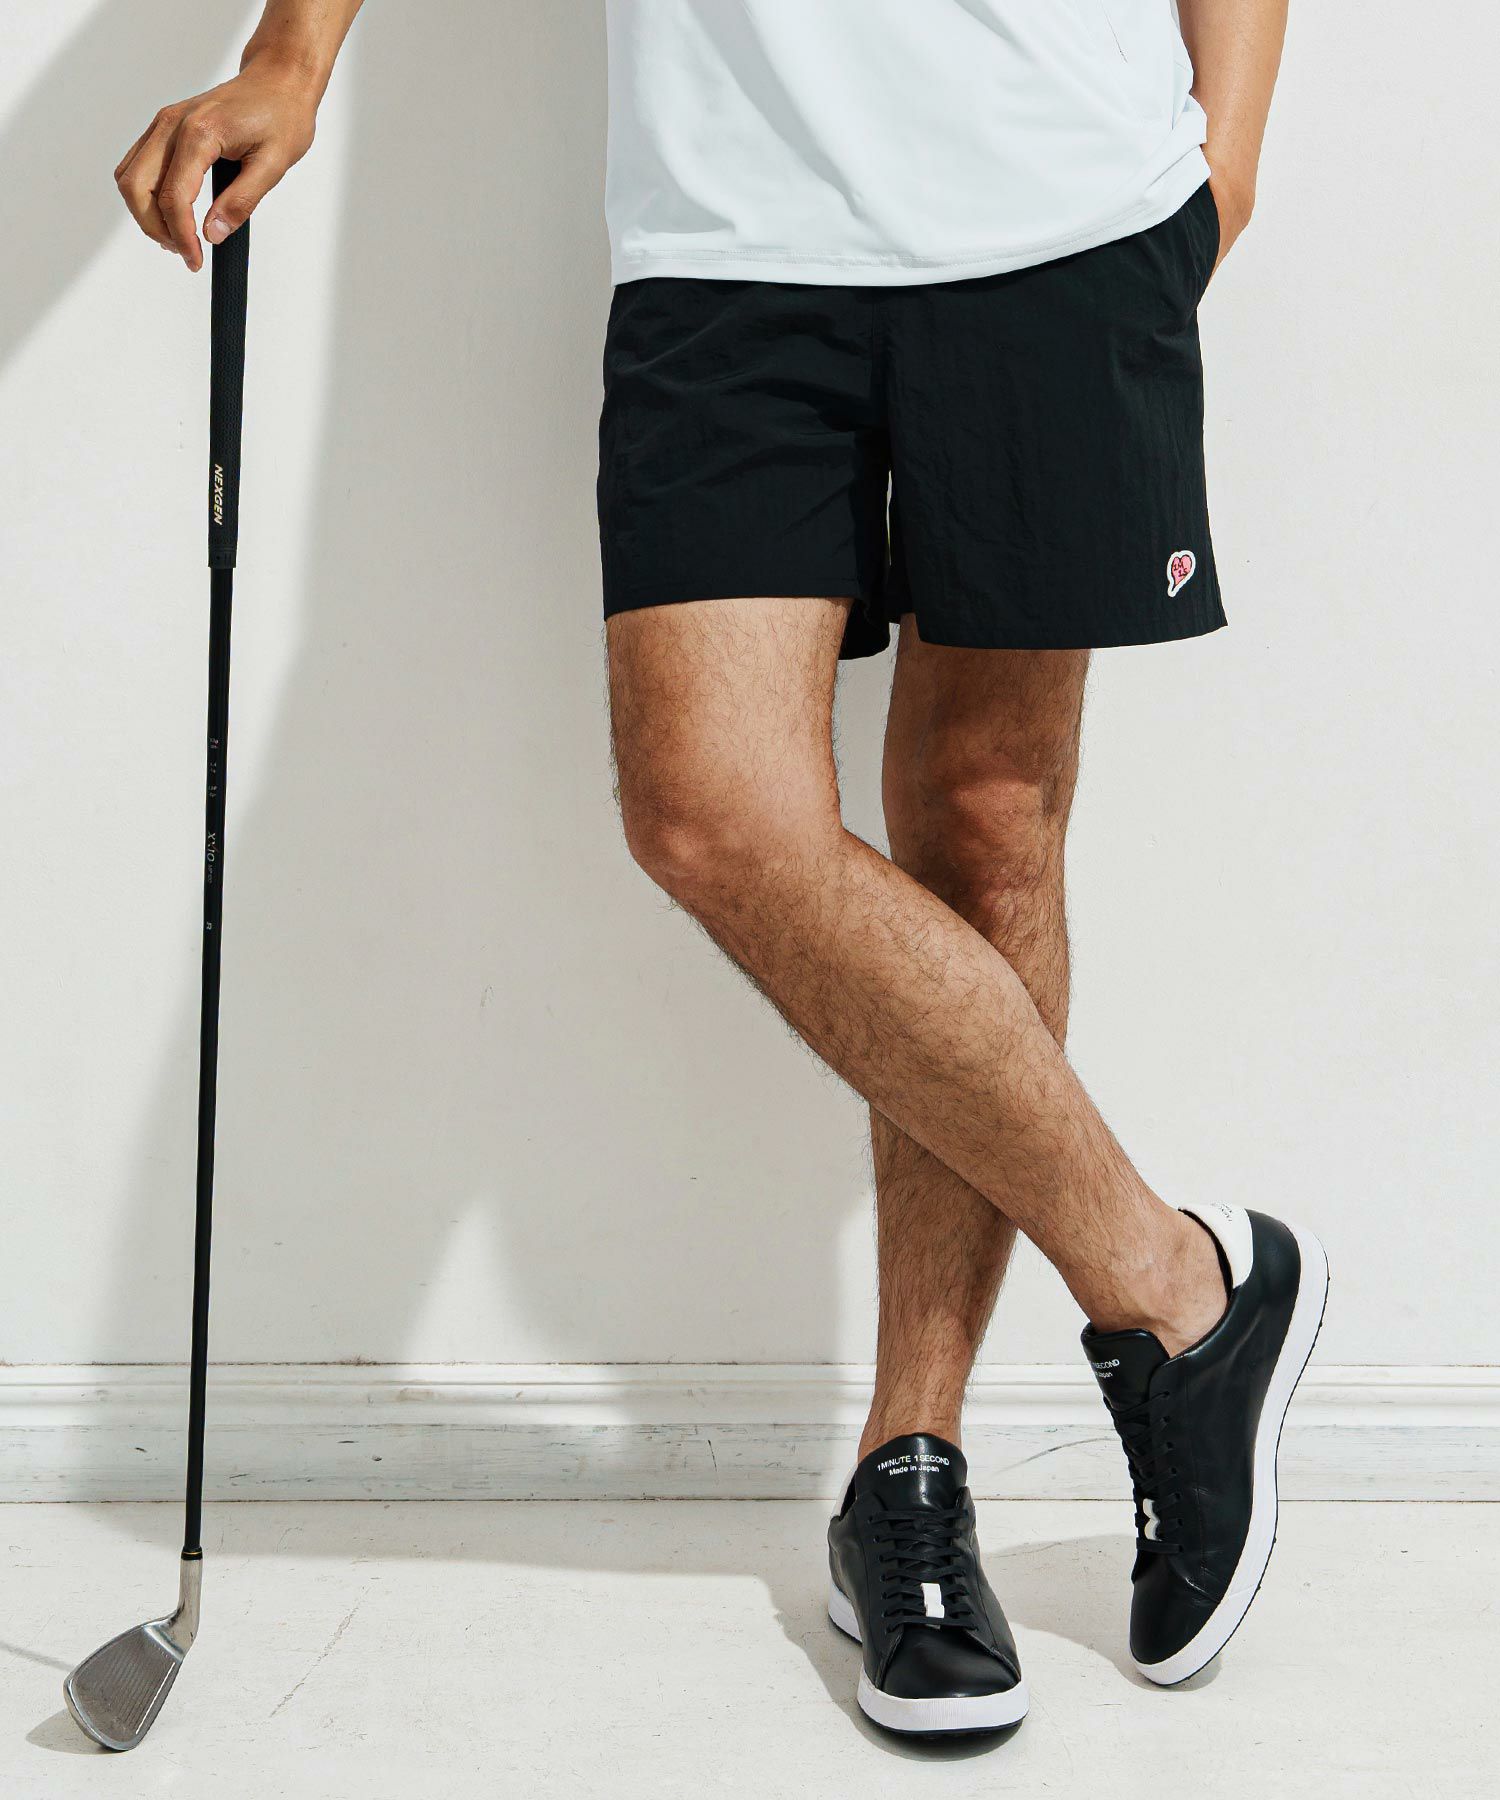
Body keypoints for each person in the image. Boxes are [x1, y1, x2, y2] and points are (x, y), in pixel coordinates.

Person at [117, 0, 1326, 1739]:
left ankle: (911, 1470)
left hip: (1061, 200)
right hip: (732, 229)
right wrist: (293, 57)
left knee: (988, 821)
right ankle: (1183, 1292)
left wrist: (1232, 154)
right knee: (706, 810)